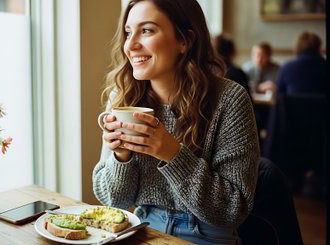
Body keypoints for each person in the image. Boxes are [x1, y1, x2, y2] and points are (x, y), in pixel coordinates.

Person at [93, 0, 260, 244]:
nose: (131, 45)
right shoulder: (122, 98)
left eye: (147, 30)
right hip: (142, 228)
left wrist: (172, 153)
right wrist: (121, 158)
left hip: (207, 235)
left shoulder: (229, 100)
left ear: (185, 40)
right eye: (128, 33)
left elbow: (232, 210)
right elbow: (113, 202)